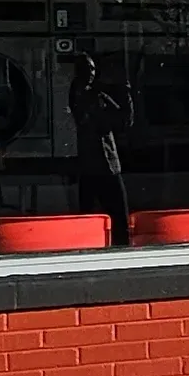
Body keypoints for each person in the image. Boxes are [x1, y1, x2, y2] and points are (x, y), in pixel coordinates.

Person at [64, 50, 134, 243]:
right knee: (116, 215)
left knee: (99, 215)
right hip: (101, 164)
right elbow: (116, 121)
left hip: (98, 163)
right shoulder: (88, 96)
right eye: (88, 69)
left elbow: (122, 121)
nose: (92, 73)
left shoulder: (90, 94)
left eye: (93, 69)